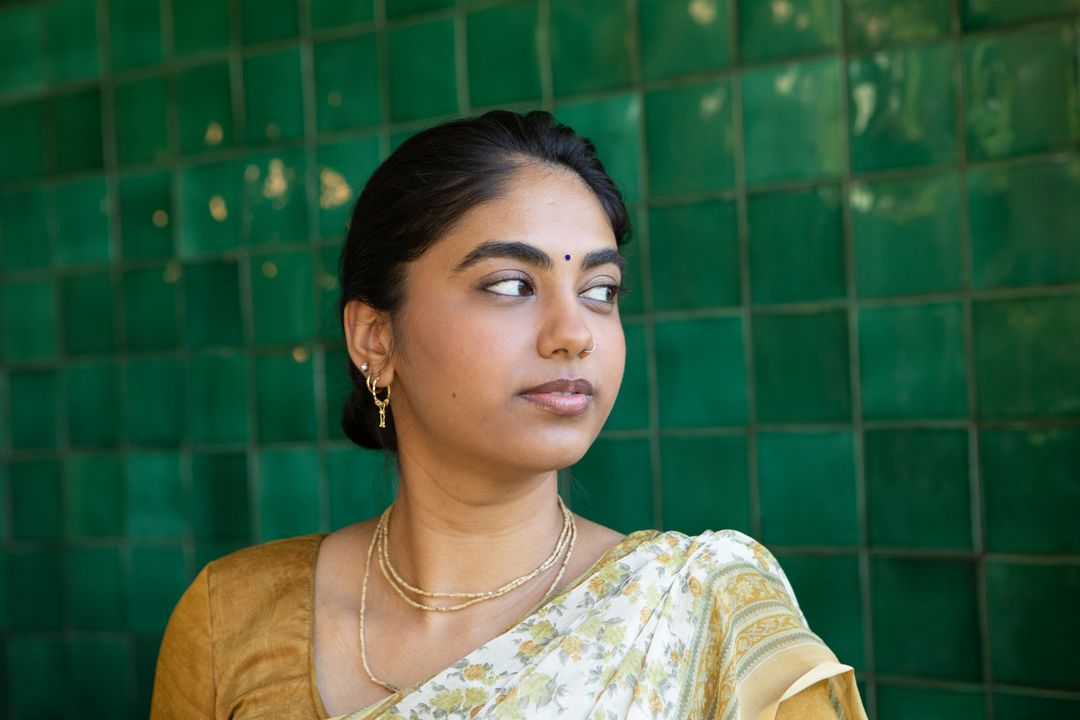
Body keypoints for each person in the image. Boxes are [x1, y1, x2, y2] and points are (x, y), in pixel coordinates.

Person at [150, 109, 868, 719]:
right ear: (375, 337)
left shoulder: (703, 614)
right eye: (511, 284)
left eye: (601, 290)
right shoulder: (231, 620)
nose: (573, 333)